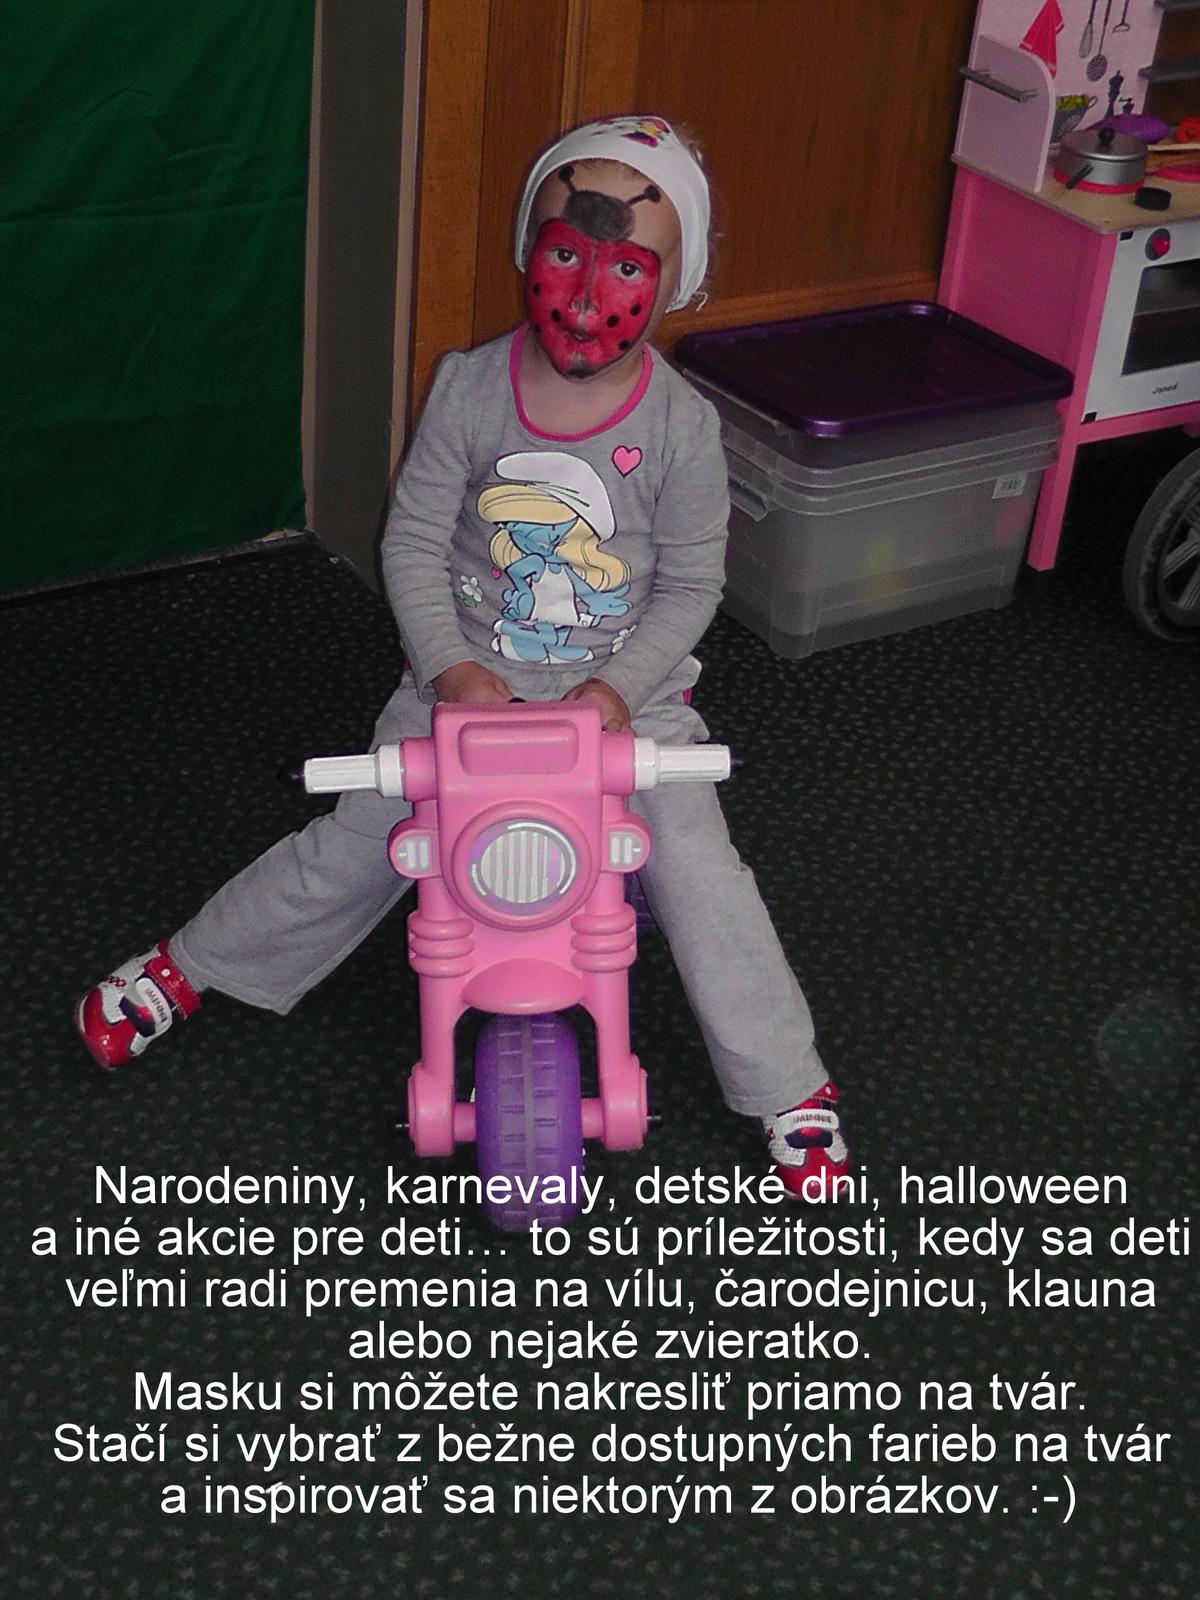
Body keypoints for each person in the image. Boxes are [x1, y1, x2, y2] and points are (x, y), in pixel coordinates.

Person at [75, 115, 849, 1200]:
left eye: (628, 266)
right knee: (362, 838)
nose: (589, 291)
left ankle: (787, 1085)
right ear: (527, 247)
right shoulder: (469, 388)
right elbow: (410, 543)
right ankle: (193, 963)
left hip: (626, 702)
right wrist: (449, 671)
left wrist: (617, 690)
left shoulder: (682, 427)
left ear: (675, 283)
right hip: (469, 684)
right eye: (565, 251)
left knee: (699, 868)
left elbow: (689, 587)